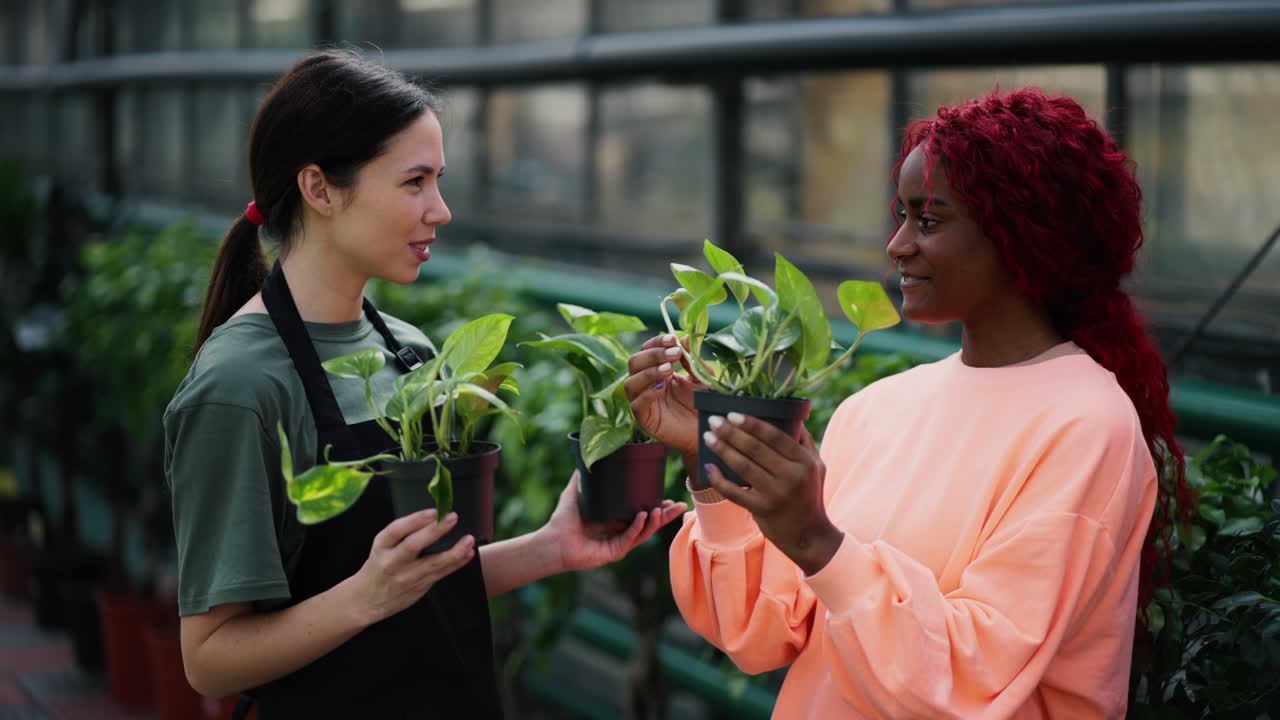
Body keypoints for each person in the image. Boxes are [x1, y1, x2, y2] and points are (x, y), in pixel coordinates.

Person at [625, 88, 1191, 719]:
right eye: (903, 216)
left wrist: (816, 540)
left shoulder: (1088, 427)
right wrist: (714, 465)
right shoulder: (877, 408)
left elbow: (968, 682)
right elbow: (760, 634)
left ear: (1021, 235)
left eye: (929, 220)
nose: (896, 246)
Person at [165, 50, 685, 719]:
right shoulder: (241, 384)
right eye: (414, 183)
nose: (440, 210)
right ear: (320, 189)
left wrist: (551, 549)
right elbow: (209, 657)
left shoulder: (412, 354)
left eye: (438, 181)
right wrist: (362, 597)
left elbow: (423, 583)